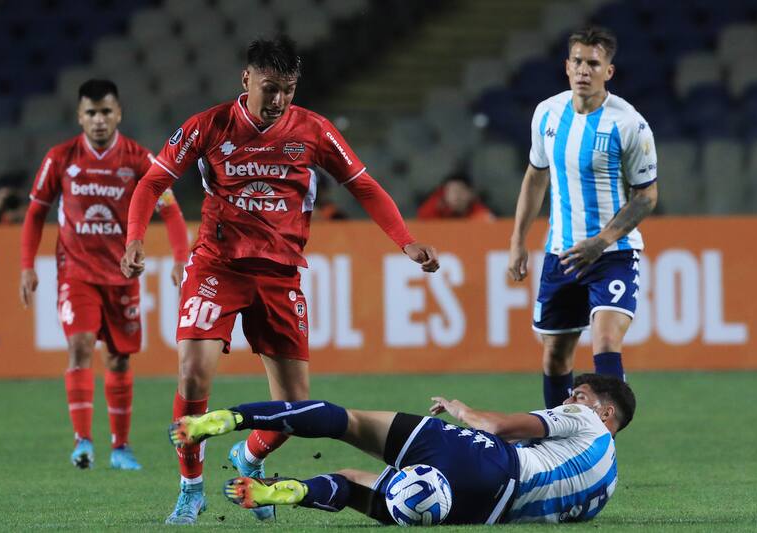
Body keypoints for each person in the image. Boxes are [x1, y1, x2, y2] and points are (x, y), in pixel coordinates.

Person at [119, 36, 439, 524]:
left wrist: (406, 241)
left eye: (288, 89)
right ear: (246, 80)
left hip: (280, 275)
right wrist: (135, 239)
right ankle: (190, 488)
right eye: (270, 88)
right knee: (192, 373)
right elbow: (152, 182)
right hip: (218, 267)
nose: (279, 100)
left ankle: (249, 456)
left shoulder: (314, 130)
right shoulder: (208, 125)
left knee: (296, 407)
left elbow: (363, 185)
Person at [169, 373, 635, 525]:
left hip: (490, 460)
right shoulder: (606, 488)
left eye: (580, 394)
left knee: (348, 421)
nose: (569, 400)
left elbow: (497, 427)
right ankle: (292, 491)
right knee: (352, 482)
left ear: (606, 412)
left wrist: (460, 409)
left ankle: (231, 419)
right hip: (481, 511)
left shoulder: (586, 420)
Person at [19, 79, 189, 471]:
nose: (99, 120)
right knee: (79, 346)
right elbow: (35, 212)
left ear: (119, 114)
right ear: (80, 116)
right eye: (91, 113)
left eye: (106, 111)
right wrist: (27, 265)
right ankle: (82, 442)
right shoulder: (60, 158)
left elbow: (171, 210)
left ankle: (120, 447)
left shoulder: (138, 159)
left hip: (122, 274)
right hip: (75, 272)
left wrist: (181, 258)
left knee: (118, 359)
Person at [507, 27, 658, 408]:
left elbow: (646, 196)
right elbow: (535, 177)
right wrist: (518, 241)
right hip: (562, 254)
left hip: (613, 253)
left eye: (593, 63)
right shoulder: (547, 113)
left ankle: (606, 439)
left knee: (605, 341)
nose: (584, 70)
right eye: (577, 61)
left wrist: (601, 241)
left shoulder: (629, 124)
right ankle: (561, 436)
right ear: (566, 66)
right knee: (555, 355)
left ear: (609, 71)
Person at [416, 171, 494, 221]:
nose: (456, 196)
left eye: (460, 191)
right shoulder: (434, 209)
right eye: (451, 191)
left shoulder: (480, 213)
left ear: (471, 193)